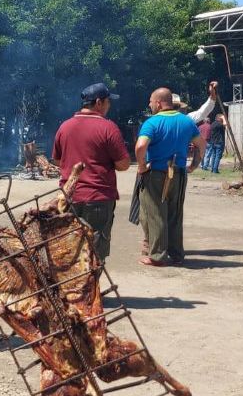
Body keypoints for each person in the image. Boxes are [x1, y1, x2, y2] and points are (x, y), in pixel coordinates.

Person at [51, 83, 130, 262]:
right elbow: (124, 164)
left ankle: (72, 289)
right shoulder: (108, 128)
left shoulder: (65, 126)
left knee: (69, 249)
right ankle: (89, 289)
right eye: (108, 101)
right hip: (98, 199)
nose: (109, 105)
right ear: (99, 102)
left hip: (68, 197)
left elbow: (57, 160)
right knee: (95, 251)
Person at [135, 88, 206, 266]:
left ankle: (158, 255)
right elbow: (201, 144)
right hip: (179, 173)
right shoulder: (186, 122)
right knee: (175, 214)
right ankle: (176, 254)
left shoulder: (152, 123)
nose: (150, 105)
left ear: (158, 103)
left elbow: (140, 146)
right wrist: (194, 165)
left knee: (155, 213)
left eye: (151, 101)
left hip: (156, 174)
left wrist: (142, 167)